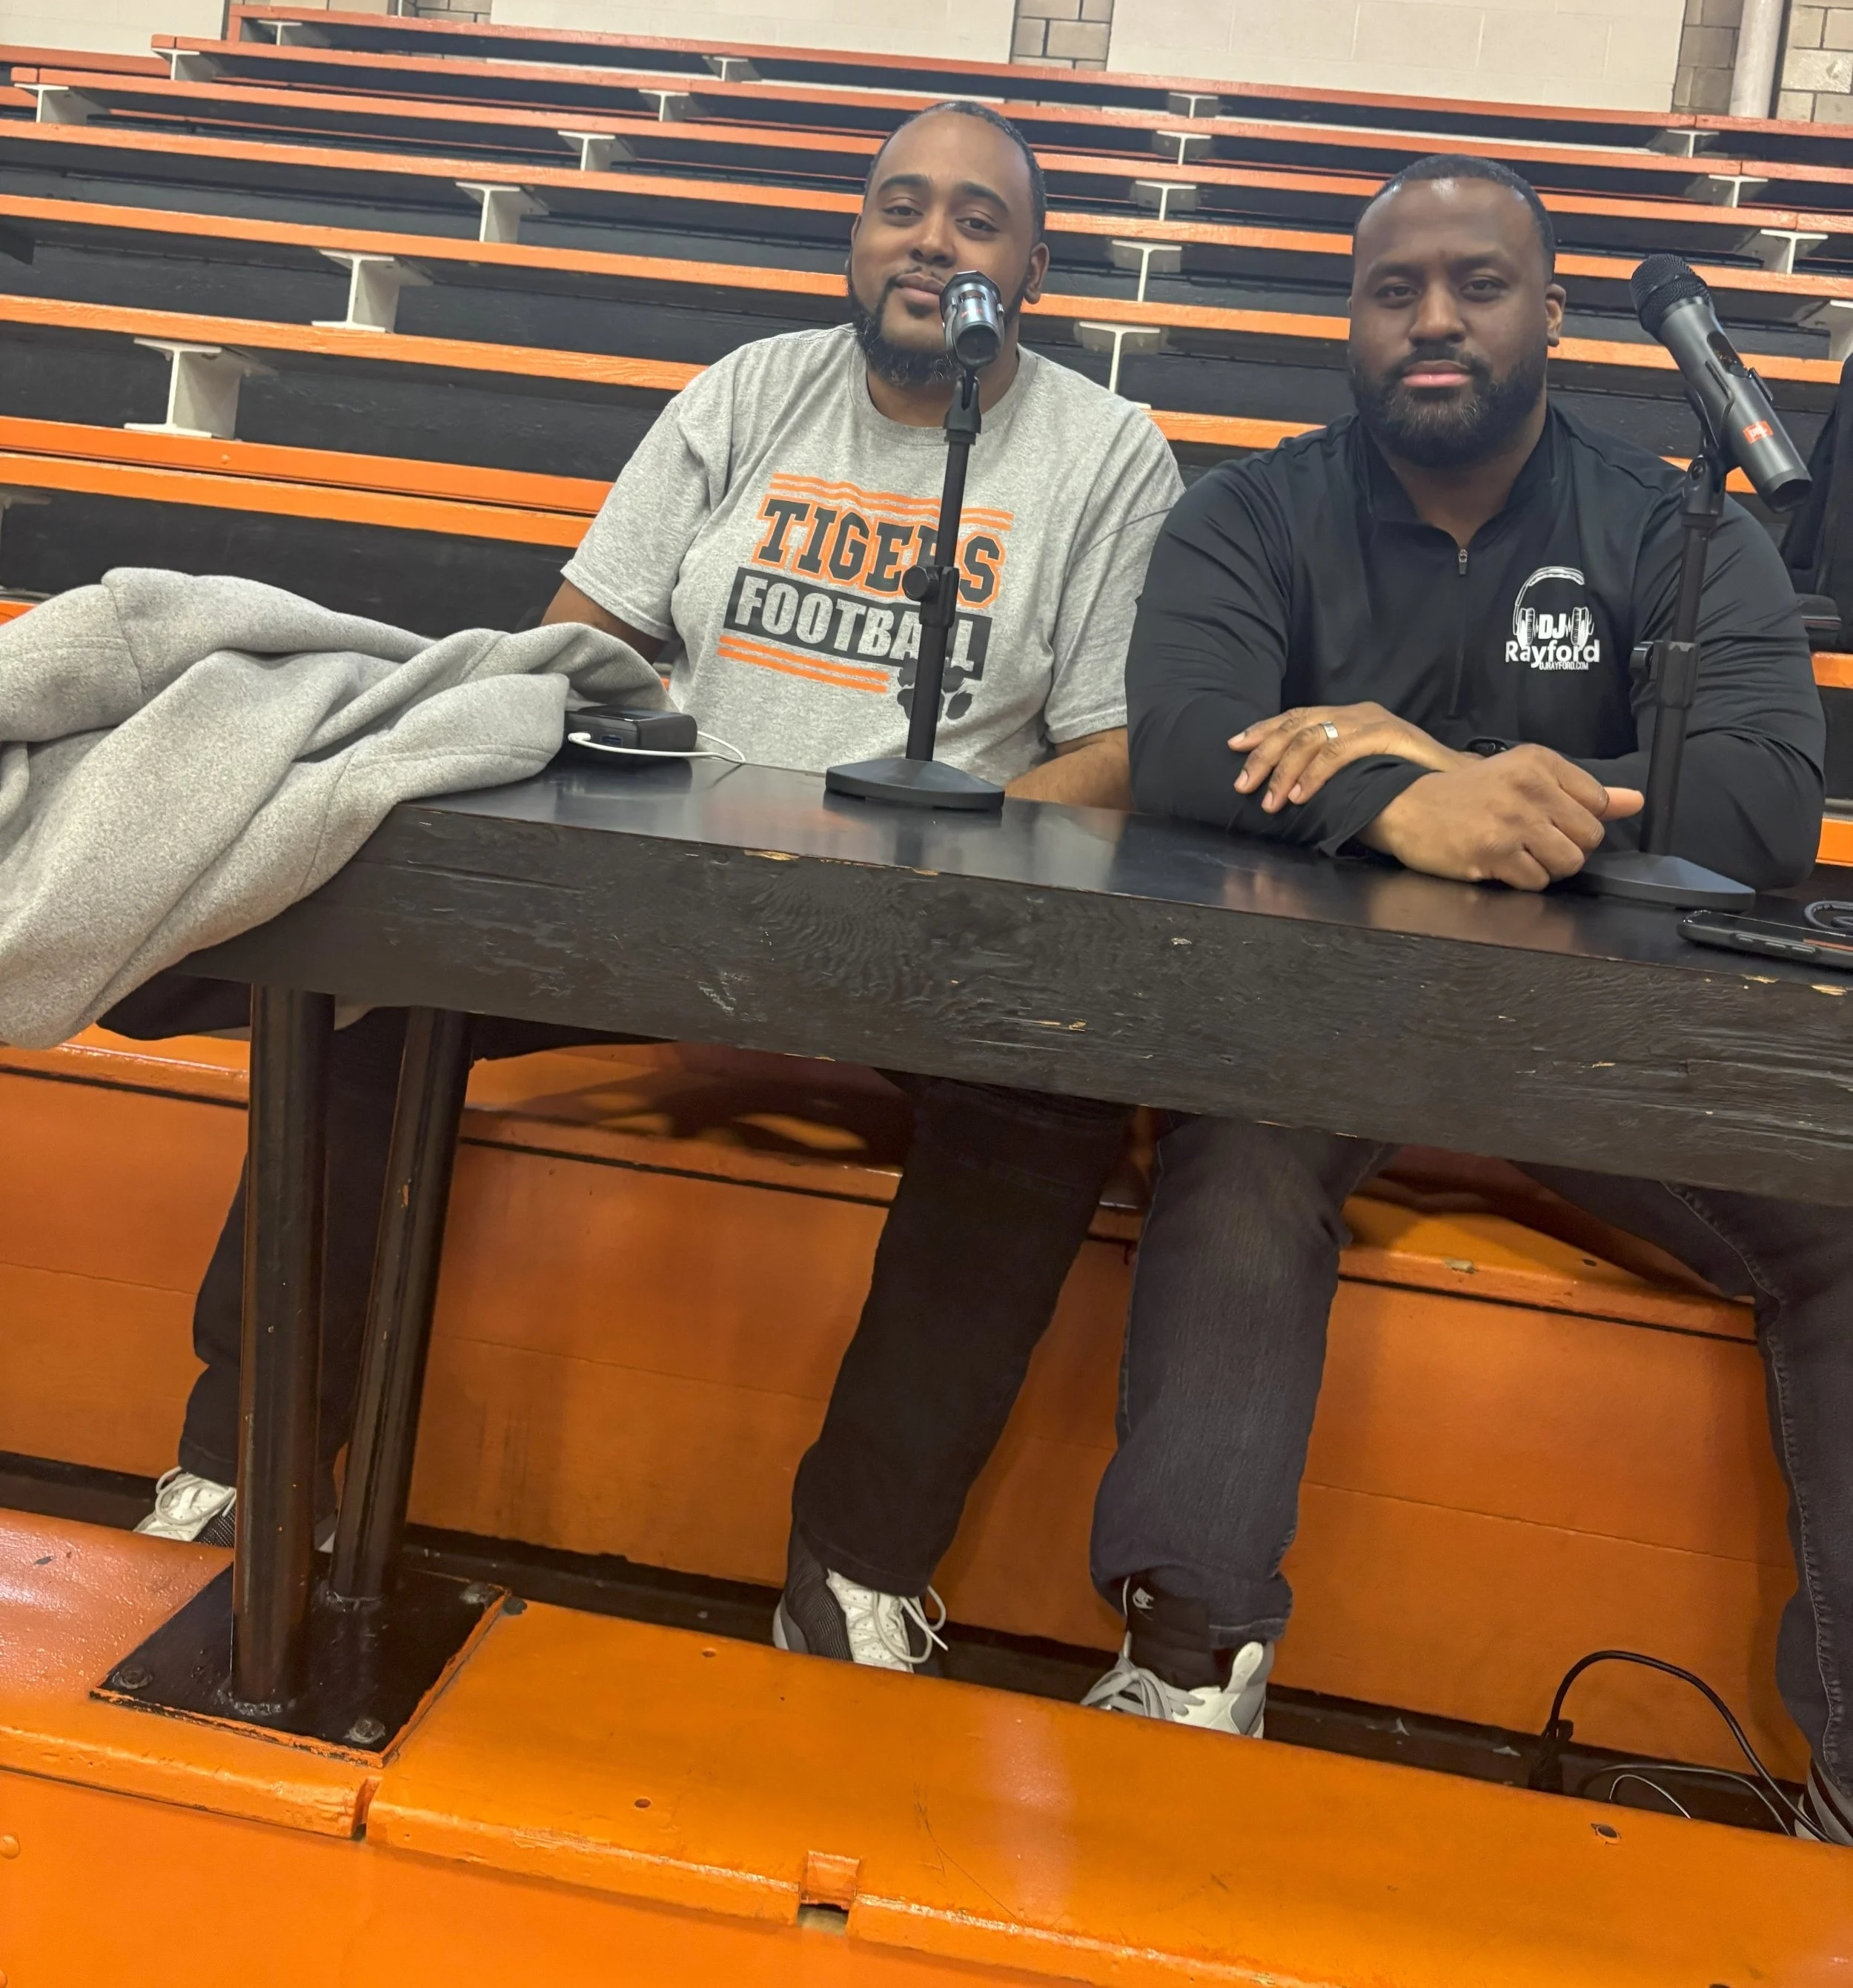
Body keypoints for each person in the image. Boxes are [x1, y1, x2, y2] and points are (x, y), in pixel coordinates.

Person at [142, 99, 1186, 1687]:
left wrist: (926, 878)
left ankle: (856, 1567)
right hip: (661, 883)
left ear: (1031, 267)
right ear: (855, 237)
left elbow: (1107, 757)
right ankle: (243, 1461)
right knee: (366, 979)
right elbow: (587, 646)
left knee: (1044, 1101)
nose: (929, 240)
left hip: (928, 917)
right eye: (896, 205)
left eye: (975, 220)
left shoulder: (1110, 455)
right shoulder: (743, 395)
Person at [1087, 155, 1852, 1850]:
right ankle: (1188, 1663)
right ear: (1350, 319)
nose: (1432, 317)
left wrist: (1417, 760)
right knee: (1235, 1145)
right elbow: (1177, 744)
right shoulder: (1250, 514)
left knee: (1844, 1213)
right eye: (1392, 287)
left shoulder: (1676, 523)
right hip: (1320, 1031)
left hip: (1619, 1051)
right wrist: (1402, 803)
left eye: (1477, 283)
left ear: (1551, 312)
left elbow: (1754, 812)